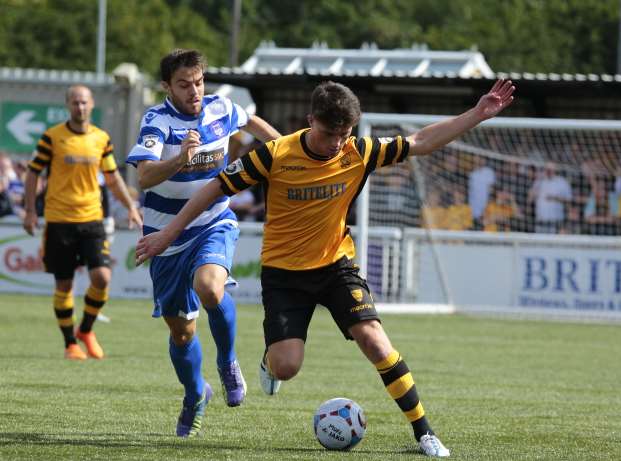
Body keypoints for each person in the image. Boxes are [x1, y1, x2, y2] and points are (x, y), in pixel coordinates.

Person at [135, 79, 515, 457]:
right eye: (329, 133)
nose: (336, 142)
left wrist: (477, 114)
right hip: (284, 276)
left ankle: (424, 433)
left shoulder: (358, 151)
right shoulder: (274, 154)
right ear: (310, 120)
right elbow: (214, 188)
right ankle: (270, 361)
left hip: (336, 266)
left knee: (375, 342)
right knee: (286, 367)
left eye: (344, 134)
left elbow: (420, 142)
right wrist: (168, 233)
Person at [126, 49, 280, 437]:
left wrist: (292, 154)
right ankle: (196, 394)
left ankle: (228, 362)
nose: (194, 91)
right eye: (184, 84)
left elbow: (256, 126)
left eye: (198, 82)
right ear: (167, 87)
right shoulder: (156, 121)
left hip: (213, 221)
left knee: (210, 287)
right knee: (181, 333)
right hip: (165, 236)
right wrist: (180, 159)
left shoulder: (221, 108)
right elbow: (143, 178)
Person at [22, 84, 142, 360]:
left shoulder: (101, 138)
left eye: (84, 102)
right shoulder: (52, 137)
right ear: (68, 105)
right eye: (75, 102)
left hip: (92, 219)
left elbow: (112, 177)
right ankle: (69, 344)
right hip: (59, 220)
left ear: (91, 105)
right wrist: (30, 211)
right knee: (64, 285)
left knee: (102, 277)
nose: (80, 107)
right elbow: (32, 173)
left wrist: (131, 207)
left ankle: (86, 330)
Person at [527, 162, 572, 234]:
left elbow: (569, 200)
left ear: (555, 170)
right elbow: (530, 199)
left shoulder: (562, 182)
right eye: (547, 169)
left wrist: (555, 198)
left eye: (550, 169)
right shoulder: (539, 181)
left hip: (556, 221)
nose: (548, 171)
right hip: (540, 220)